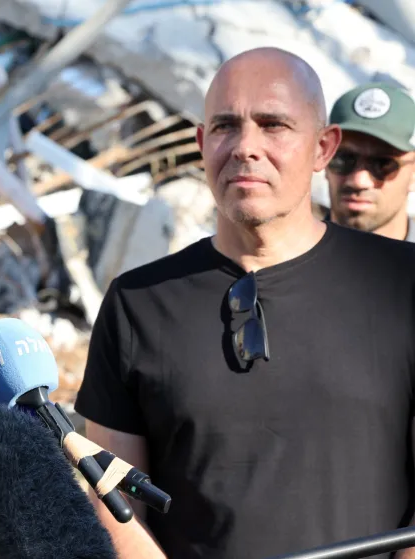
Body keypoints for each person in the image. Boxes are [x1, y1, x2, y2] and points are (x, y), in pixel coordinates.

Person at [74, 47, 415, 559]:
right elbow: (115, 510)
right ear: (201, 143)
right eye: (225, 126)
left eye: (274, 125)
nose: (245, 148)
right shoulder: (137, 304)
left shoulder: (402, 284)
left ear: (323, 148)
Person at [324, 82, 415, 241]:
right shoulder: (279, 257)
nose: (359, 181)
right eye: (343, 159)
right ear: (323, 160)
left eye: (383, 164)